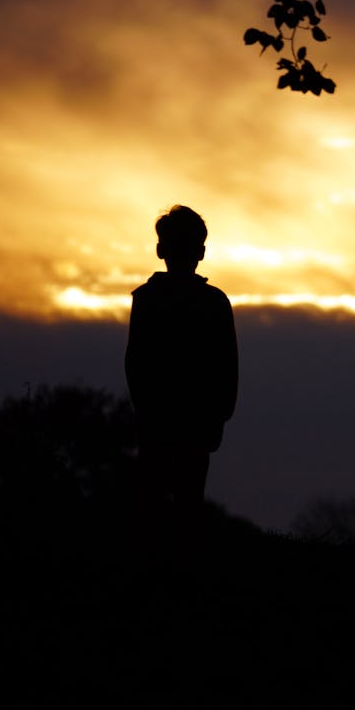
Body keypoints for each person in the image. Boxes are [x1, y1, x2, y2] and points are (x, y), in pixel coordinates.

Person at [124, 205, 238, 532]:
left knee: (157, 499)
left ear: (160, 249)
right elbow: (227, 365)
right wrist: (219, 413)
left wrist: (144, 407)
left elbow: (135, 360)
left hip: (167, 415)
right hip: (188, 416)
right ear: (201, 252)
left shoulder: (147, 299)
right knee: (184, 499)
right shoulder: (214, 302)